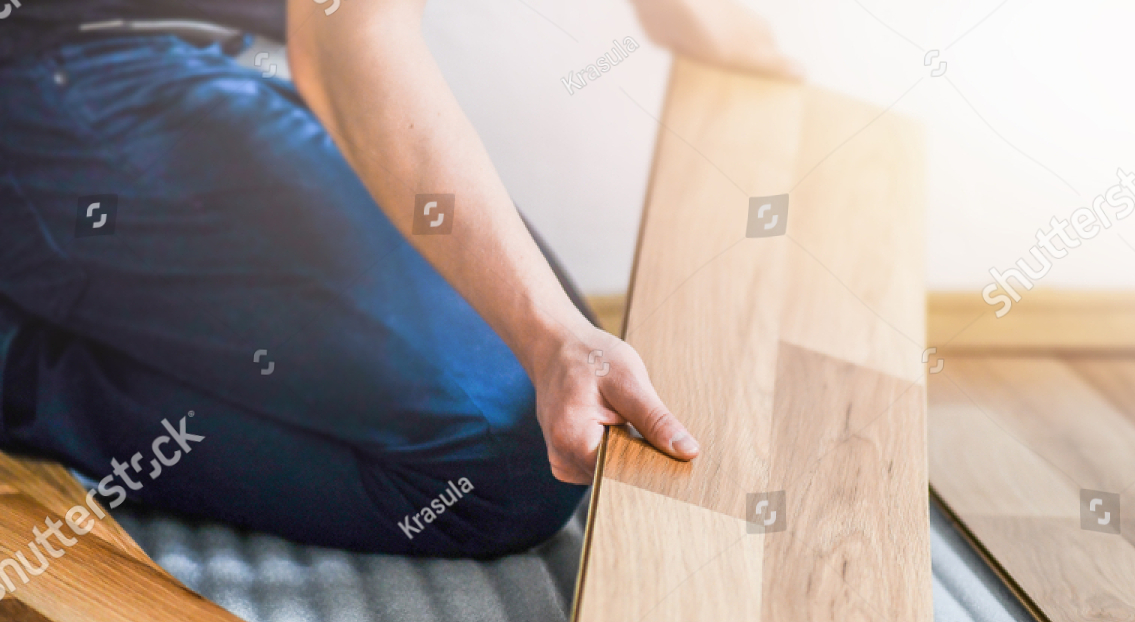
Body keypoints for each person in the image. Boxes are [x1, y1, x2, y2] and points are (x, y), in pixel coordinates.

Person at [0, 0, 796, 555]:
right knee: (512, 457)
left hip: (197, 60)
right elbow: (349, 49)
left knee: (547, 383)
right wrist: (553, 340)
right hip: (57, 73)